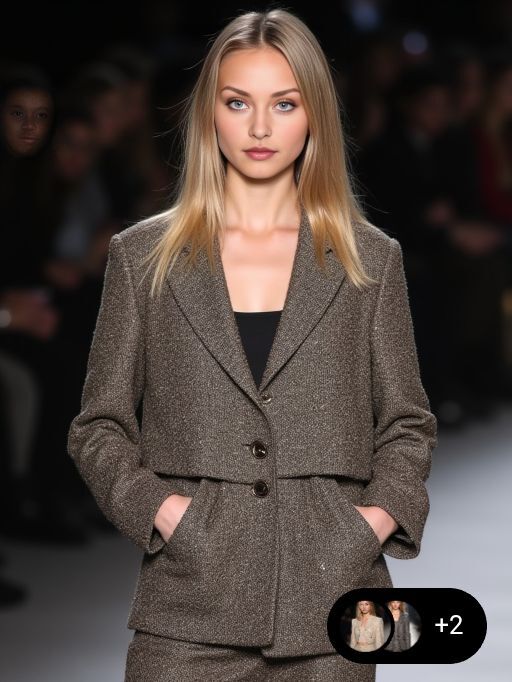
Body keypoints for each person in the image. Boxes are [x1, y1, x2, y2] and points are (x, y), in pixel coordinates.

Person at [67, 8, 438, 682]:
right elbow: (99, 425)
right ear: (209, 114)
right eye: (238, 102)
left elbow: (407, 422)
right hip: (187, 604)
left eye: (284, 104)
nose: (260, 127)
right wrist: (165, 513)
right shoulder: (143, 257)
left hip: (332, 600)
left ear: (314, 115)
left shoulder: (369, 261)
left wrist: (372, 522)